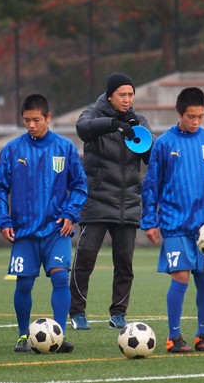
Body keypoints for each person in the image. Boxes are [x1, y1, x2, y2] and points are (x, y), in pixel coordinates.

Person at [0, 94, 87, 353]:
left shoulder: (65, 148)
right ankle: (23, 336)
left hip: (57, 230)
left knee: (60, 279)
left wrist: (70, 214)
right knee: (24, 284)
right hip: (24, 232)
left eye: (36, 120)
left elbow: (79, 186)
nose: (31, 125)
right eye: (26, 120)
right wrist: (3, 220)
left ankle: (59, 334)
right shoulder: (12, 149)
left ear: (48, 118)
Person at [140, 87, 204, 353]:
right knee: (180, 276)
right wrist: (149, 219)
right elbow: (151, 184)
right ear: (179, 113)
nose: (195, 122)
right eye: (191, 116)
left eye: (201, 117)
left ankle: (202, 336)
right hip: (173, 223)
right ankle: (174, 337)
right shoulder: (165, 144)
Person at [69, 72, 153, 331]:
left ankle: (118, 313)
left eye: (130, 95)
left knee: (125, 262)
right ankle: (77, 312)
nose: (127, 100)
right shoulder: (92, 114)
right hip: (96, 200)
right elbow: (82, 129)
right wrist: (114, 124)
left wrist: (136, 132)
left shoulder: (139, 121)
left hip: (128, 202)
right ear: (110, 96)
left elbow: (152, 156)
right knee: (85, 258)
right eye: (122, 95)